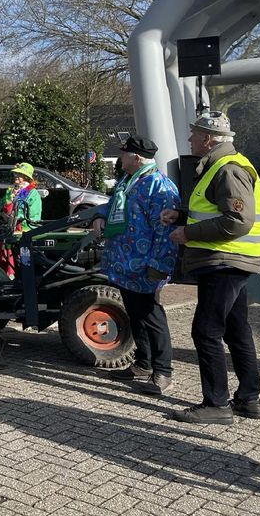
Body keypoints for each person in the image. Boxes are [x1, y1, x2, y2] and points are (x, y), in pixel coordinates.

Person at [162, 111, 260, 424]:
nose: (190, 139)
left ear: (208, 139)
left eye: (194, 134)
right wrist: (181, 216)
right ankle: (249, 399)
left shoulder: (228, 168)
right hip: (230, 260)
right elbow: (213, 213)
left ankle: (216, 405)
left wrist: (187, 233)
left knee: (206, 330)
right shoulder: (221, 165)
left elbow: (237, 220)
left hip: (224, 260)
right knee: (236, 330)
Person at [92, 135, 180, 395]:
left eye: (123, 154)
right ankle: (143, 363)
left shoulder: (158, 185)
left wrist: (158, 264)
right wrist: (98, 215)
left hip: (145, 266)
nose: (120, 158)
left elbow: (165, 229)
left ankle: (163, 371)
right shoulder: (128, 181)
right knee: (136, 314)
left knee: (151, 316)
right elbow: (112, 205)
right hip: (124, 263)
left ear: (136, 157)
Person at [0, 162, 42, 277]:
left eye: (19, 174)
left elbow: (33, 216)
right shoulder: (10, 191)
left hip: (24, 233)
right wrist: (2, 213)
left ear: (26, 177)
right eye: (15, 174)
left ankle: (22, 277)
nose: (16, 176)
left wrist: (14, 216)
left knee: (23, 261)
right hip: (9, 230)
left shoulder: (32, 193)